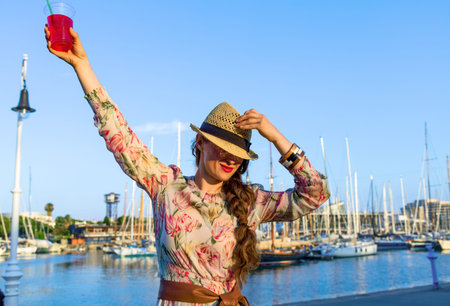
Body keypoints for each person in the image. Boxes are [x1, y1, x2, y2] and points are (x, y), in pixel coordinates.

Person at [45, 27, 330, 306]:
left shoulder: (251, 202)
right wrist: (82, 66)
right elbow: (118, 134)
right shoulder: (166, 186)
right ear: (201, 142)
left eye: (238, 154)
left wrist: (276, 136)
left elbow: (314, 194)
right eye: (223, 148)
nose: (231, 158)